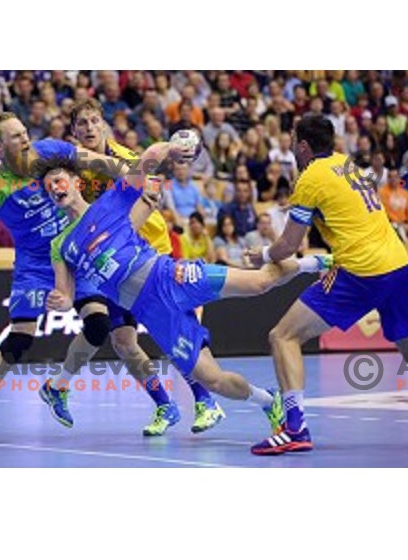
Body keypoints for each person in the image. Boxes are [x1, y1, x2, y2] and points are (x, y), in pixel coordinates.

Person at [42, 150, 332, 441]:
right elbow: (66, 295)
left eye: (58, 181)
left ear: (77, 182)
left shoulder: (111, 199)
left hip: (172, 276)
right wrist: (60, 301)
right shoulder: (61, 245)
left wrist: (174, 145)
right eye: (48, 187)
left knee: (259, 283)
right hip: (153, 314)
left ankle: (313, 263)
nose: (55, 188)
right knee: (213, 380)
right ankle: (269, 401)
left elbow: (151, 157)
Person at [0, 111, 200, 443]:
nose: (25, 139)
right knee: (20, 339)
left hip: (74, 247)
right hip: (35, 263)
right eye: (15, 136)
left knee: (99, 326)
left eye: (25, 131)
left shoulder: (47, 151)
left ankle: (59, 387)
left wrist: (138, 175)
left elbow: (98, 162)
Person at [248, 115, 408, 456]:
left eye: (292, 137)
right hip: (399, 264)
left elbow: (287, 245)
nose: (289, 142)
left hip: (362, 271)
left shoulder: (311, 177)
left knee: (282, 335)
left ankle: (295, 428)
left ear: (303, 146)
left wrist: (263, 254)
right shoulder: (346, 164)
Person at [59, 99, 224, 435]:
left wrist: (117, 236)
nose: (89, 128)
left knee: (173, 332)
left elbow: (151, 194)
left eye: (94, 121)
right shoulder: (72, 171)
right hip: (117, 265)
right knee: (122, 340)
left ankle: (206, 400)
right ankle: (165, 405)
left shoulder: (123, 158)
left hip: (152, 254)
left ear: (103, 125)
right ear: (73, 131)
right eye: (82, 124)